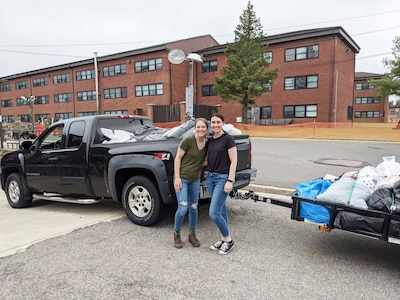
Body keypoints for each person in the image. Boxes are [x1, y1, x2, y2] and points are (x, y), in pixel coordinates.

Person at [173, 118, 209, 248]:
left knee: (193, 207)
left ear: (207, 129)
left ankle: (192, 235)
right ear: (195, 128)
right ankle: (176, 234)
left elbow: (204, 161)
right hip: (182, 178)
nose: (200, 129)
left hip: (195, 179)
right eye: (198, 127)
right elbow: (178, 158)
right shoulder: (188, 140)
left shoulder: (207, 143)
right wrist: (177, 178)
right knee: (182, 208)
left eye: (203, 127)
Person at [206, 113, 237, 255]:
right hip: (210, 178)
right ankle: (223, 238)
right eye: (213, 123)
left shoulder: (228, 139)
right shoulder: (210, 140)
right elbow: (207, 160)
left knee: (213, 213)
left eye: (218, 122)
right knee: (221, 209)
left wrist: (230, 180)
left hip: (222, 178)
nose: (215, 125)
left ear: (223, 123)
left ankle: (228, 240)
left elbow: (234, 161)